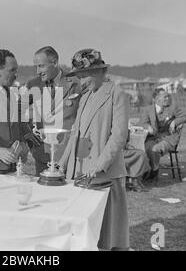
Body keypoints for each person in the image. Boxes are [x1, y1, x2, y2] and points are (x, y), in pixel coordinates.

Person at [58, 49, 129, 250]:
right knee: (84, 235)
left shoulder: (117, 94)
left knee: (107, 235)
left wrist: (100, 164)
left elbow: (119, 136)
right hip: (78, 173)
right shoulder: (86, 97)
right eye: (79, 77)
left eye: (83, 76)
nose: (81, 82)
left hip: (103, 176)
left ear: (99, 72)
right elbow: (75, 134)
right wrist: (61, 163)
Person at [23, 46, 82, 175]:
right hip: (42, 155)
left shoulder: (76, 83)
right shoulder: (32, 84)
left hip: (69, 155)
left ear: (55, 62)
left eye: (41, 66)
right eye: (36, 67)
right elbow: (17, 112)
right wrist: (28, 136)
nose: (38, 71)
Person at [141, 88, 186, 182]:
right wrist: (148, 126)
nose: (168, 98)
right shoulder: (148, 110)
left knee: (155, 149)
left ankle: (155, 171)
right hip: (153, 137)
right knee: (143, 148)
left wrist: (175, 122)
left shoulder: (172, 108)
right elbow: (143, 122)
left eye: (168, 96)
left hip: (168, 138)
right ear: (156, 98)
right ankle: (146, 171)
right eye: (165, 96)